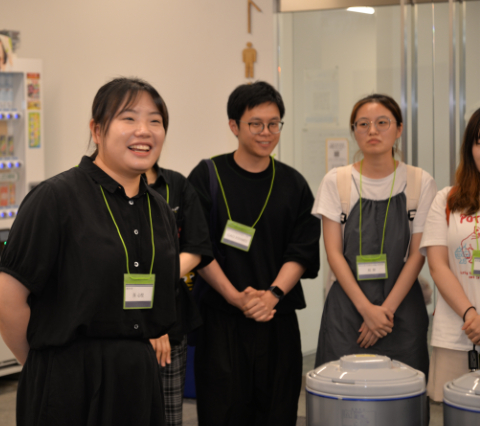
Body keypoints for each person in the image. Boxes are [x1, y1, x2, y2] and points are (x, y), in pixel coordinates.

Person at [0, 77, 180, 425]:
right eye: (128, 118)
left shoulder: (160, 210)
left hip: (137, 376)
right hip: (67, 378)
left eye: (155, 121)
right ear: (97, 130)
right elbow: (6, 299)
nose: (144, 131)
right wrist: (42, 366)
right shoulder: (55, 198)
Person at [187, 81, 321, 426]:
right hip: (221, 320)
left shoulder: (293, 183)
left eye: (274, 124)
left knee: (278, 411)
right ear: (234, 126)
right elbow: (197, 245)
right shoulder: (207, 175)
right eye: (256, 124)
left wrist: (272, 295)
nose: (266, 132)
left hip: (277, 320)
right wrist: (235, 297)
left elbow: (302, 249)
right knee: (221, 412)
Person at [312, 94, 436, 379]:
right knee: (343, 393)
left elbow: (417, 254)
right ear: (354, 130)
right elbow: (334, 254)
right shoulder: (336, 181)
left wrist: (384, 312)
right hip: (348, 311)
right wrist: (366, 310)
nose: (372, 131)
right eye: (363, 124)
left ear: (399, 129)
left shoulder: (420, 181)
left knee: (403, 392)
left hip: (401, 311)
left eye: (382, 122)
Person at [145, 163, 213, 426]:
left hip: (170, 317)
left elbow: (196, 247)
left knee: (169, 415)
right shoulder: (91, 188)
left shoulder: (177, 184)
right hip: (118, 323)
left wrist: (157, 312)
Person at [420, 107, 480, 401]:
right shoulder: (447, 199)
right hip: (457, 334)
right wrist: (471, 314)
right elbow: (438, 266)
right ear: (470, 148)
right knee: (458, 415)